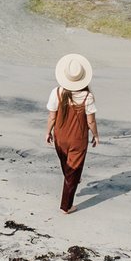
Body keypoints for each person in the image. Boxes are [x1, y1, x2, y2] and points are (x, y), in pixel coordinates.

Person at [47, 53, 99, 213]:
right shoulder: (87, 97)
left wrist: (48, 131)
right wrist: (96, 135)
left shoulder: (57, 92)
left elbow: (51, 116)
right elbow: (90, 121)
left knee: (67, 164)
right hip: (78, 138)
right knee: (72, 169)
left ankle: (73, 178)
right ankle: (66, 206)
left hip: (60, 136)